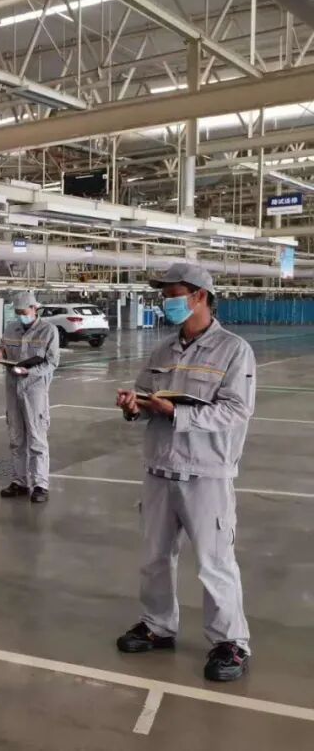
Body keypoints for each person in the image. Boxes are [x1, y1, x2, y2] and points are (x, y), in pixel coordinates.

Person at [115, 263, 255, 683]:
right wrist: (135, 406)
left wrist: (178, 413)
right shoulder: (163, 350)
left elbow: (236, 410)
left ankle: (230, 642)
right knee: (154, 558)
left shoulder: (233, 350)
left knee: (215, 562)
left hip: (206, 472)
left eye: (173, 295)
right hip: (160, 468)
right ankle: (157, 626)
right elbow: (146, 396)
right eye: (164, 296)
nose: (166, 302)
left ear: (199, 296)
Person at [0, 290, 59, 503]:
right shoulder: (11, 328)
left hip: (35, 389)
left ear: (34, 309)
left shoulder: (48, 331)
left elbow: (52, 362)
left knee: (37, 438)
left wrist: (29, 371)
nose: (21, 316)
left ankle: (41, 485)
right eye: (18, 313)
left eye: (24, 312)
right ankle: (19, 481)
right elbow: (4, 349)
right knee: (16, 438)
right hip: (13, 388)